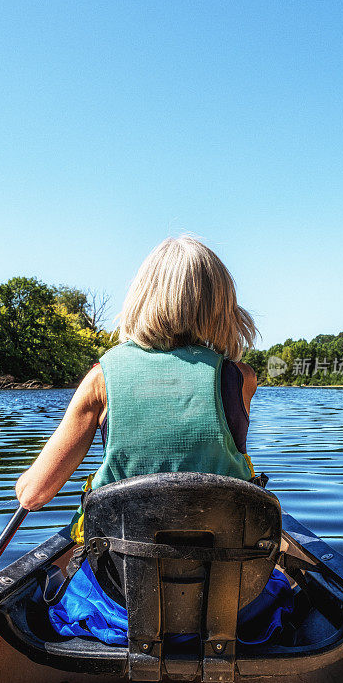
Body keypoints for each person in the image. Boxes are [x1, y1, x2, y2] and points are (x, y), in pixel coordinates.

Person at [15, 235, 293, 644]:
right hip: (230, 602)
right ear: (221, 306)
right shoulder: (240, 379)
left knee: (55, 579)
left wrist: (25, 483)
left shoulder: (100, 380)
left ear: (143, 298)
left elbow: (34, 494)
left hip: (123, 600)